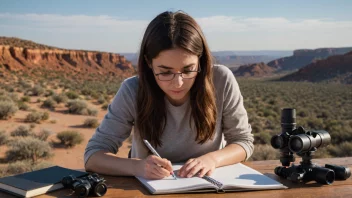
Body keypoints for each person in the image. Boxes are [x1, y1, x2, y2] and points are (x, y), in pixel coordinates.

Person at [84, 10, 254, 180]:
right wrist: (137, 166)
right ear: (149, 63)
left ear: (200, 60)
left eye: (188, 70)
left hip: (208, 185)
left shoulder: (221, 80)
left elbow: (243, 141)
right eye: (165, 72)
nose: (178, 83)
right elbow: (93, 156)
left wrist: (212, 159)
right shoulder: (132, 89)